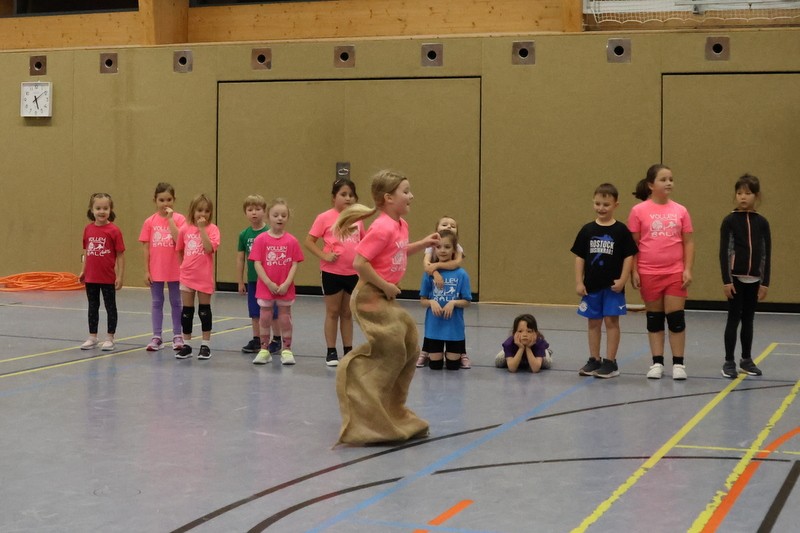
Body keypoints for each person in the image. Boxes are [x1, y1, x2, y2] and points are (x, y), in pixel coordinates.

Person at [333, 169, 440, 445]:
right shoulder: (382, 227)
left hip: (384, 295)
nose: (411, 196)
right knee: (392, 350)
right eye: (406, 191)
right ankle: (356, 381)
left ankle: (393, 408)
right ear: (388, 198)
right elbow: (360, 263)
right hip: (369, 297)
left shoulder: (400, 225)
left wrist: (422, 244)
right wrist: (386, 285)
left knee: (410, 344)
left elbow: (397, 251)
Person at [628, 164, 694, 380]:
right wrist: (634, 271)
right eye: (663, 179)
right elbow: (633, 244)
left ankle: (679, 364)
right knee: (655, 319)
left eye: (671, 179)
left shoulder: (680, 211)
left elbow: (688, 242)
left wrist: (687, 269)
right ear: (651, 185)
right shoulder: (638, 211)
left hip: (674, 272)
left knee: (676, 318)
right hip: (649, 272)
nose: (669, 183)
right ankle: (657, 362)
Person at [571, 183, 638, 379]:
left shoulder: (621, 230)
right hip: (591, 287)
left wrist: (623, 279)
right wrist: (579, 281)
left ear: (616, 205)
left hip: (613, 288)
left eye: (606, 204)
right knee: (593, 322)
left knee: (611, 321)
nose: (601, 208)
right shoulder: (587, 230)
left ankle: (610, 362)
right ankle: (594, 359)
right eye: (598, 203)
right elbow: (580, 257)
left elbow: (629, 256)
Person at [305, 178, 365, 366]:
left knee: (347, 313)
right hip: (332, 273)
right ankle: (331, 351)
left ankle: (348, 350)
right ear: (334, 198)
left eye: (351, 195)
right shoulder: (324, 217)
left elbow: (364, 243)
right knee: (332, 312)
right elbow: (309, 241)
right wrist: (324, 255)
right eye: (343, 194)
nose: (348, 198)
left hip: (353, 273)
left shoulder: (358, 219)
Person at [719, 173, 771, 379]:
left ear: (756, 196)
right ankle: (729, 361)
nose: (743, 197)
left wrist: (765, 282)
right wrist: (726, 280)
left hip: (755, 280)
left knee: (748, 320)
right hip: (735, 279)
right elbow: (725, 252)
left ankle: (746, 359)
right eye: (739, 193)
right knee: (733, 319)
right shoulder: (730, 221)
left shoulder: (762, 222)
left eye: (748, 193)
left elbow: (766, 254)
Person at [249, 198, 304, 365]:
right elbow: (257, 263)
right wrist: (268, 283)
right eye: (276, 215)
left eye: (283, 215)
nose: (280, 218)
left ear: (287, 218)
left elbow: (294, 263)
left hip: (284, 287)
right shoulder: (261, 239)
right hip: (266, 287)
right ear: (268, 217)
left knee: (285, 318)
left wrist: (286, 283)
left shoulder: (292, 241)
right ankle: (264, 349)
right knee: (265, 317)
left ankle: (286, 350)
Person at [417, 215, 471, 369]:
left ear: (454, 249)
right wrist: (431, 301)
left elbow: (467, 301)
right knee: (435, 366)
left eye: (447, 247)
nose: (442, 250)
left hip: (454, 328)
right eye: (439, 247)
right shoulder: (428, 271)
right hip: (435, 326)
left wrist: (453, 302)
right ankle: (426, 352)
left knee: (453, 366)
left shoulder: (462, 274)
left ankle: (461, 353)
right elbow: (422, 300)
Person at [139, 182, 185, 352]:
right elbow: (146, 248)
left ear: (174, 200)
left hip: (175, 268)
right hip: (156, 269)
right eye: (161, 200)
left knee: (176, 302)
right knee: (157, 302)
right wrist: (146, 270)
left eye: (169, 199)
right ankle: (157, 336)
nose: (165, 203)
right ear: (155, 201)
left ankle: (178, 335)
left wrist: (171, 219)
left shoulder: (180, 219)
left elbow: (179, 239)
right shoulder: (149, 222)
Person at [175, 194, 220, 360]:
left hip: (204, 276)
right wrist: (183, 267)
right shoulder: (184, 229)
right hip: (187, 276)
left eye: (207, 211)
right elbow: (179, 249)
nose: (203, 214)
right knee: (187, 311)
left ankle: (205, 345)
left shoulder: (213, 229)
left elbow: (208, 249)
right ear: (192, 211)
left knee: (204, 311)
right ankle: (186, 344)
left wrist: (202, 229)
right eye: (200, 210)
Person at [79, 193, 125, 351]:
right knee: (93, 306)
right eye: (98, 208)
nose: (101, 211)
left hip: (107, 277)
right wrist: (83, 271)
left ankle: (110, 337)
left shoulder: (114, 231)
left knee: (110, 307)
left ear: (110, 209)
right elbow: (87, 252)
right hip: (91, 277)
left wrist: (120, 276)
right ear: (92, 210)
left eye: (105, 208)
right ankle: (92, 336)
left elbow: (120, 255)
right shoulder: (88, 229)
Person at [237, 195, 282, 356]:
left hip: (269, 281)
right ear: (245, 213)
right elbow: (241, 258)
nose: (254, 213)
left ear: (264, 212)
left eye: (257, 209)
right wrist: (240, 281)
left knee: (273, 311)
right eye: (250, 210)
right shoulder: (244, 235)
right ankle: (257, 339)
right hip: (253, 280)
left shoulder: (269, 233)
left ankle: (276, 339)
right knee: (255, 311)